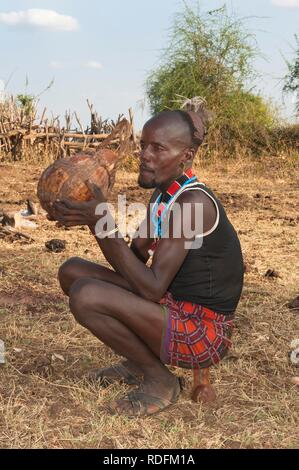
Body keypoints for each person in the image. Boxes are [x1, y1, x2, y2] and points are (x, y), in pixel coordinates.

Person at [53, 109, 244, 417]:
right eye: (144, 145)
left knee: (86, 295)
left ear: (186, 155)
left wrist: (102, 221)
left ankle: (160, 379)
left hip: (202, 331)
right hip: (173, 305)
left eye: (158, 148)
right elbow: (134, 262)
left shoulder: (192, 203)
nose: (144, 155)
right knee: (72, 272)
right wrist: (94, 220)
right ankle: (137, 361)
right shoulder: (164, 196)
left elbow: (151, 288)